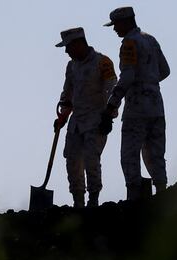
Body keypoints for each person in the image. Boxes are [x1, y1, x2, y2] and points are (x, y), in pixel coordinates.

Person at [101, 7, 170, 201]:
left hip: (136, 108)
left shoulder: (129, 43)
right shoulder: (150, 39)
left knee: (130, 154)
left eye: (116, 25)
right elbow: (165, 71)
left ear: (126, 22)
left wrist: (111, 105)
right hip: (156, 105)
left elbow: (127, 77)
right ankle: (162, 194)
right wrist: (149, 82)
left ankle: (134, 198)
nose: (115, 29)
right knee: (156, 152)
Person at [54, 27, 117, 207]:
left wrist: (109, 115)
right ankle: (78, 202)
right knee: (72, 161)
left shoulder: (102, 62)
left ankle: (94, 201)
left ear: (79, 43)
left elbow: (113, 89)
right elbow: (67, 95)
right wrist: (63, 117)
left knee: (91, 160)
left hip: (96, 119)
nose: (66, 51)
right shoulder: (71, 66)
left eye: (68, 47)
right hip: (76, 123)